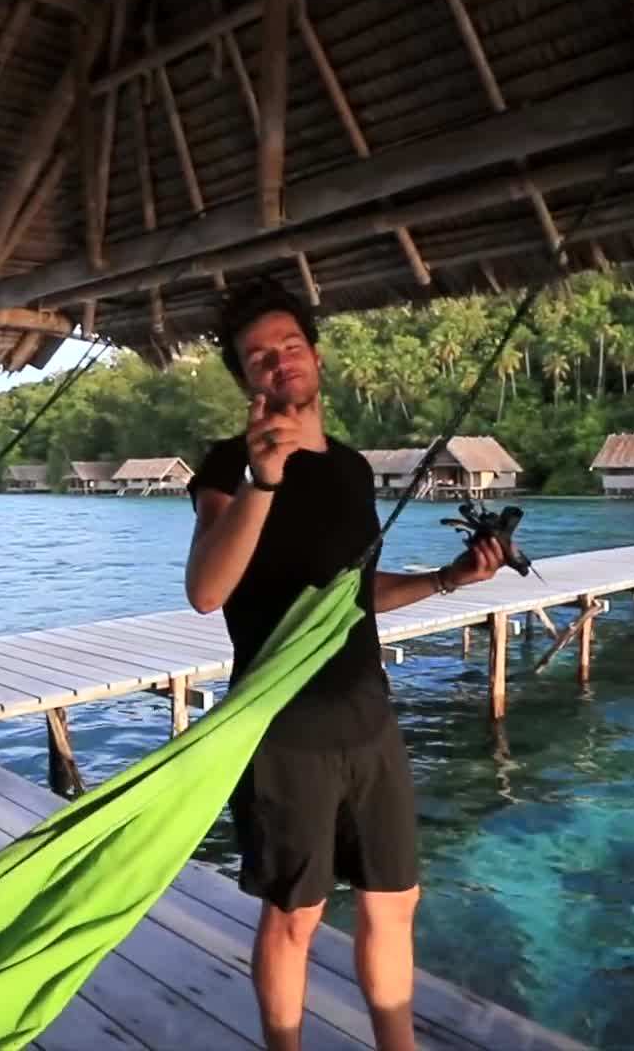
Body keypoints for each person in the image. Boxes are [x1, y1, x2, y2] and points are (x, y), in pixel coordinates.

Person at [183, 279, 505, 1051]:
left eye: (290, 346)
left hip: (370, 716)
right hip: (282, 727)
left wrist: (448, 579)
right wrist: (264, 478)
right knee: (295, 915)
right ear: (245, 380)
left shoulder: (355, 471)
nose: (278, 362)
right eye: (258, 356)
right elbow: (206, 590)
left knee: (396, 899)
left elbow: (354, 597)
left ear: (316, 358)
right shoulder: (229, 468)